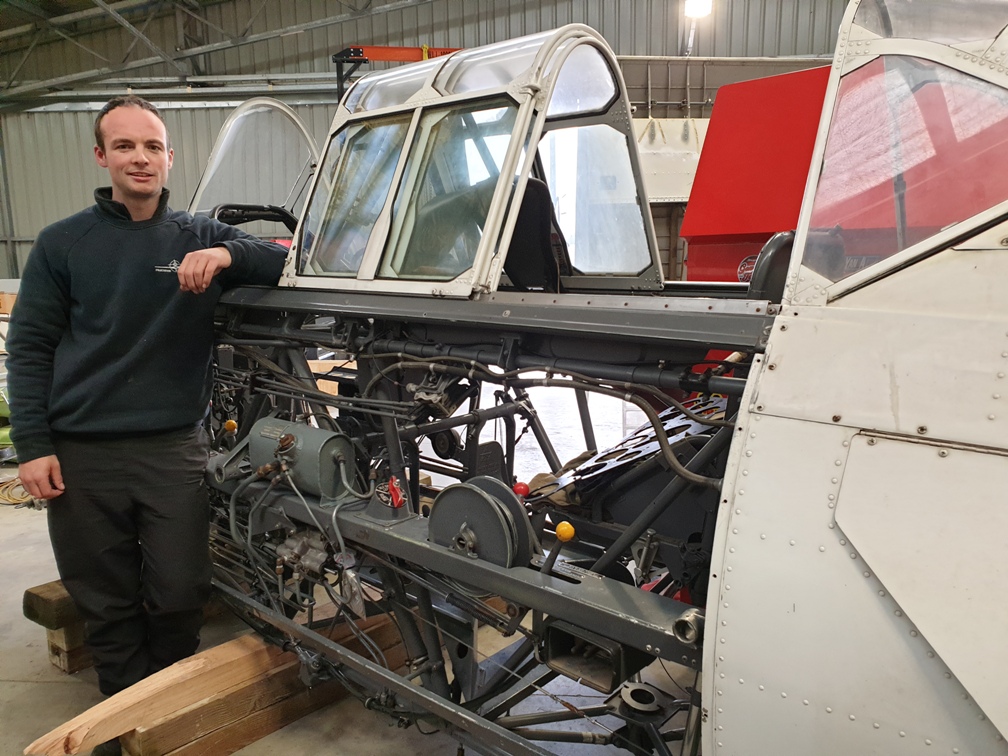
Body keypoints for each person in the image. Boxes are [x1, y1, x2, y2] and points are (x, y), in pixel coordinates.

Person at [6, 95, 287, 755]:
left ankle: (167, 694)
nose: (141, 158)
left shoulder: (197, 236)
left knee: (180, 586)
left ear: (169, 157)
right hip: (81, 451)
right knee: (102, 593)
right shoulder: (62, 244)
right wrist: (33, 446)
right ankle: (123, 711)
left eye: (152, 146)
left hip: (170, 446)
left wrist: (226, 258)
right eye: (126, 146)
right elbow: (29, 350)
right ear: (102, 157)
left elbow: (285, 259)